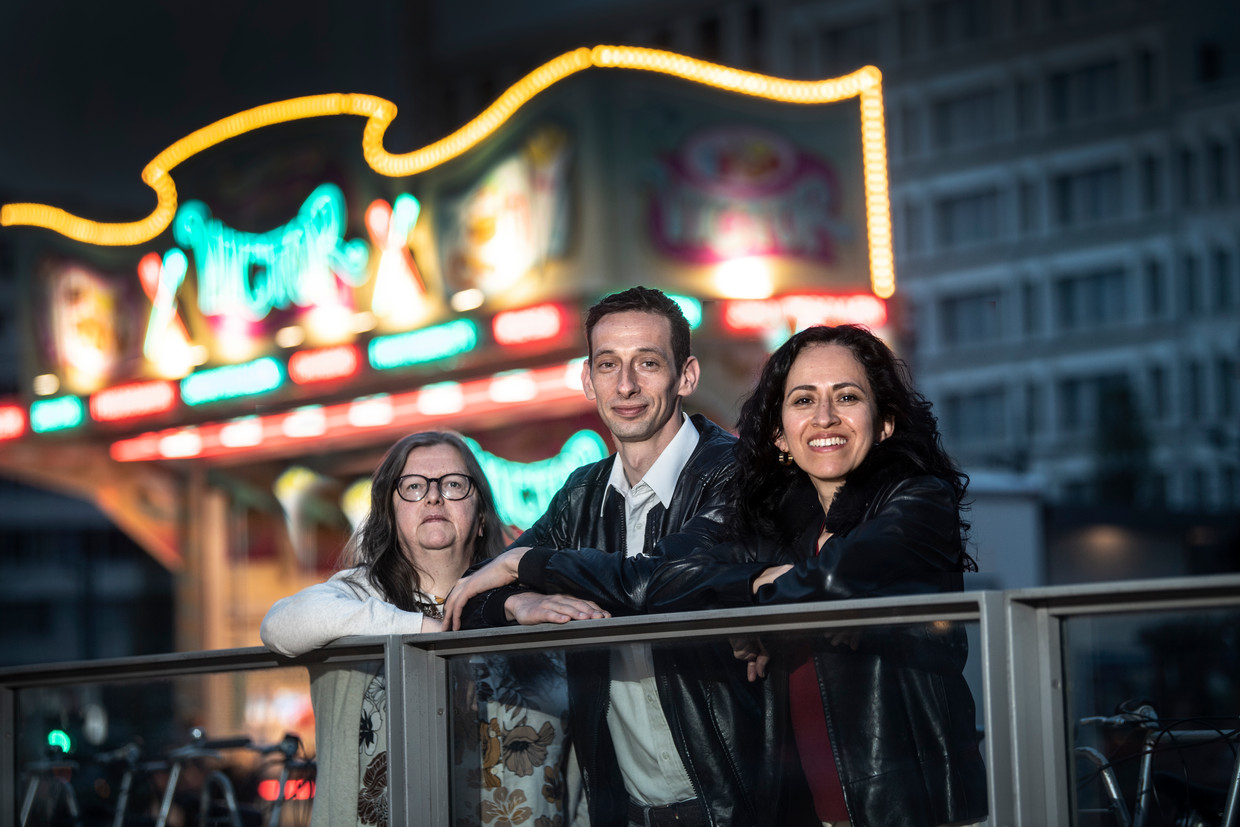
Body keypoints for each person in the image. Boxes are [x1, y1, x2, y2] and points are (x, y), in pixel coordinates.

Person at [467, 325, 990, 827]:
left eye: (848, 397)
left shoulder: (918, 500)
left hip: (915, 810)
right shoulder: (778, 525)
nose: (825, 417)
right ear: (781, 435)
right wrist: (522, 572)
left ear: (885, 422)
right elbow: (663, 579)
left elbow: (833, 584)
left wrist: (756, 605)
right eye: (804, 400)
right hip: (808, 813)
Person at [445, 286, 816, 827]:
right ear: (587, 380)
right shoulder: (582, 494)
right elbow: (472, 597)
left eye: (647, 363)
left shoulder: (738, 472)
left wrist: (521, 566)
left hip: (742, 808)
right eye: (608, 364)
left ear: (686, 376)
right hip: (626, 811)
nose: (626, 385)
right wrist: (517, 604)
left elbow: (654, 585)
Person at [262, 431, 583, 827]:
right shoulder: (358, 593)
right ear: (390, 515)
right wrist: (425, 631)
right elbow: (279, 626)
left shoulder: (526, 605)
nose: (433, 497)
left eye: (453, 484)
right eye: (413, 486)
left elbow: (577, 769)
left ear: (481, 517)